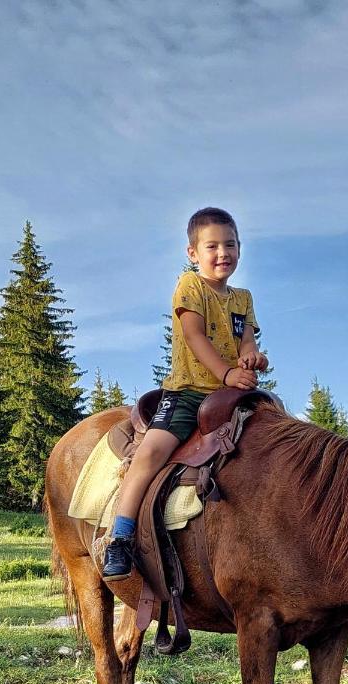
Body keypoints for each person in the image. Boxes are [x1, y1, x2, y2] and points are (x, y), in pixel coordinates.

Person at [102, 207, 269, 580]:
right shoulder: (190, 286)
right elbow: (194, 336)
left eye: (230, 244)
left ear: (240, 249)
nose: (222, 252)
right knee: (151, 453)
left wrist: (250, 357)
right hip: (190, 391)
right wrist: (226, 372)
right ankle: (121, 536)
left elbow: (246, 339)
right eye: (212, 246)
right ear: (193, 253)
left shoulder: (243, 298)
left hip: (233, 395)